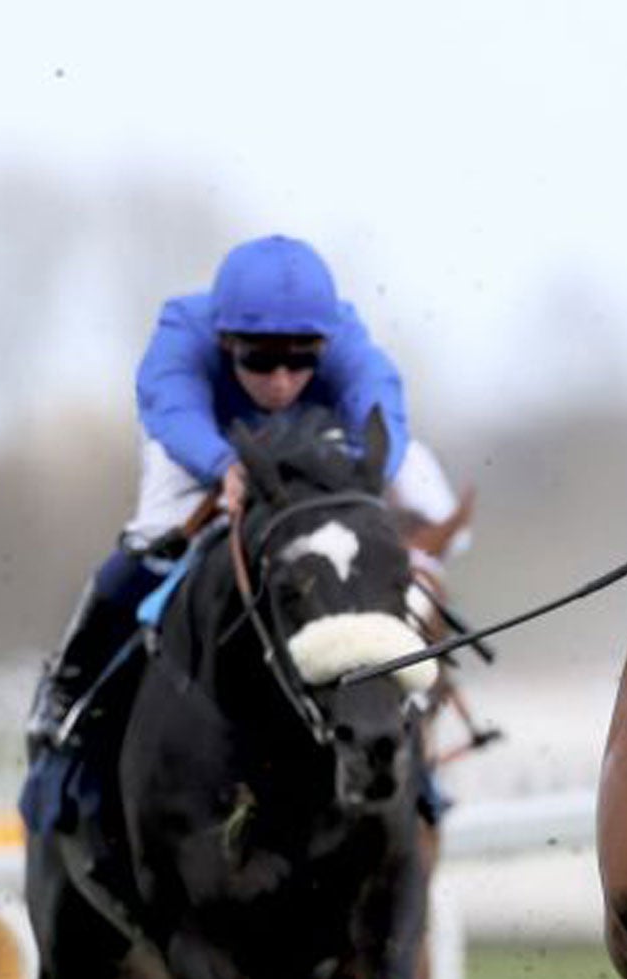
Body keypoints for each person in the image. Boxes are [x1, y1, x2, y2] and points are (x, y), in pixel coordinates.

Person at [26, 234, 464, 751]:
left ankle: (410, 695)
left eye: (301, 359)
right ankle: (68, 682)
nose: (280, 381)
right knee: (156, 541)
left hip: (309, 437)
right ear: (226, 341)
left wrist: (363, 479)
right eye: (260, 359)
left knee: (416, 499)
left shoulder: (345, 335)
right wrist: (222, 466)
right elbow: (171, 409)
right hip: (203, 439)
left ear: (323, 343)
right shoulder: (183, 330)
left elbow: (380, 407)